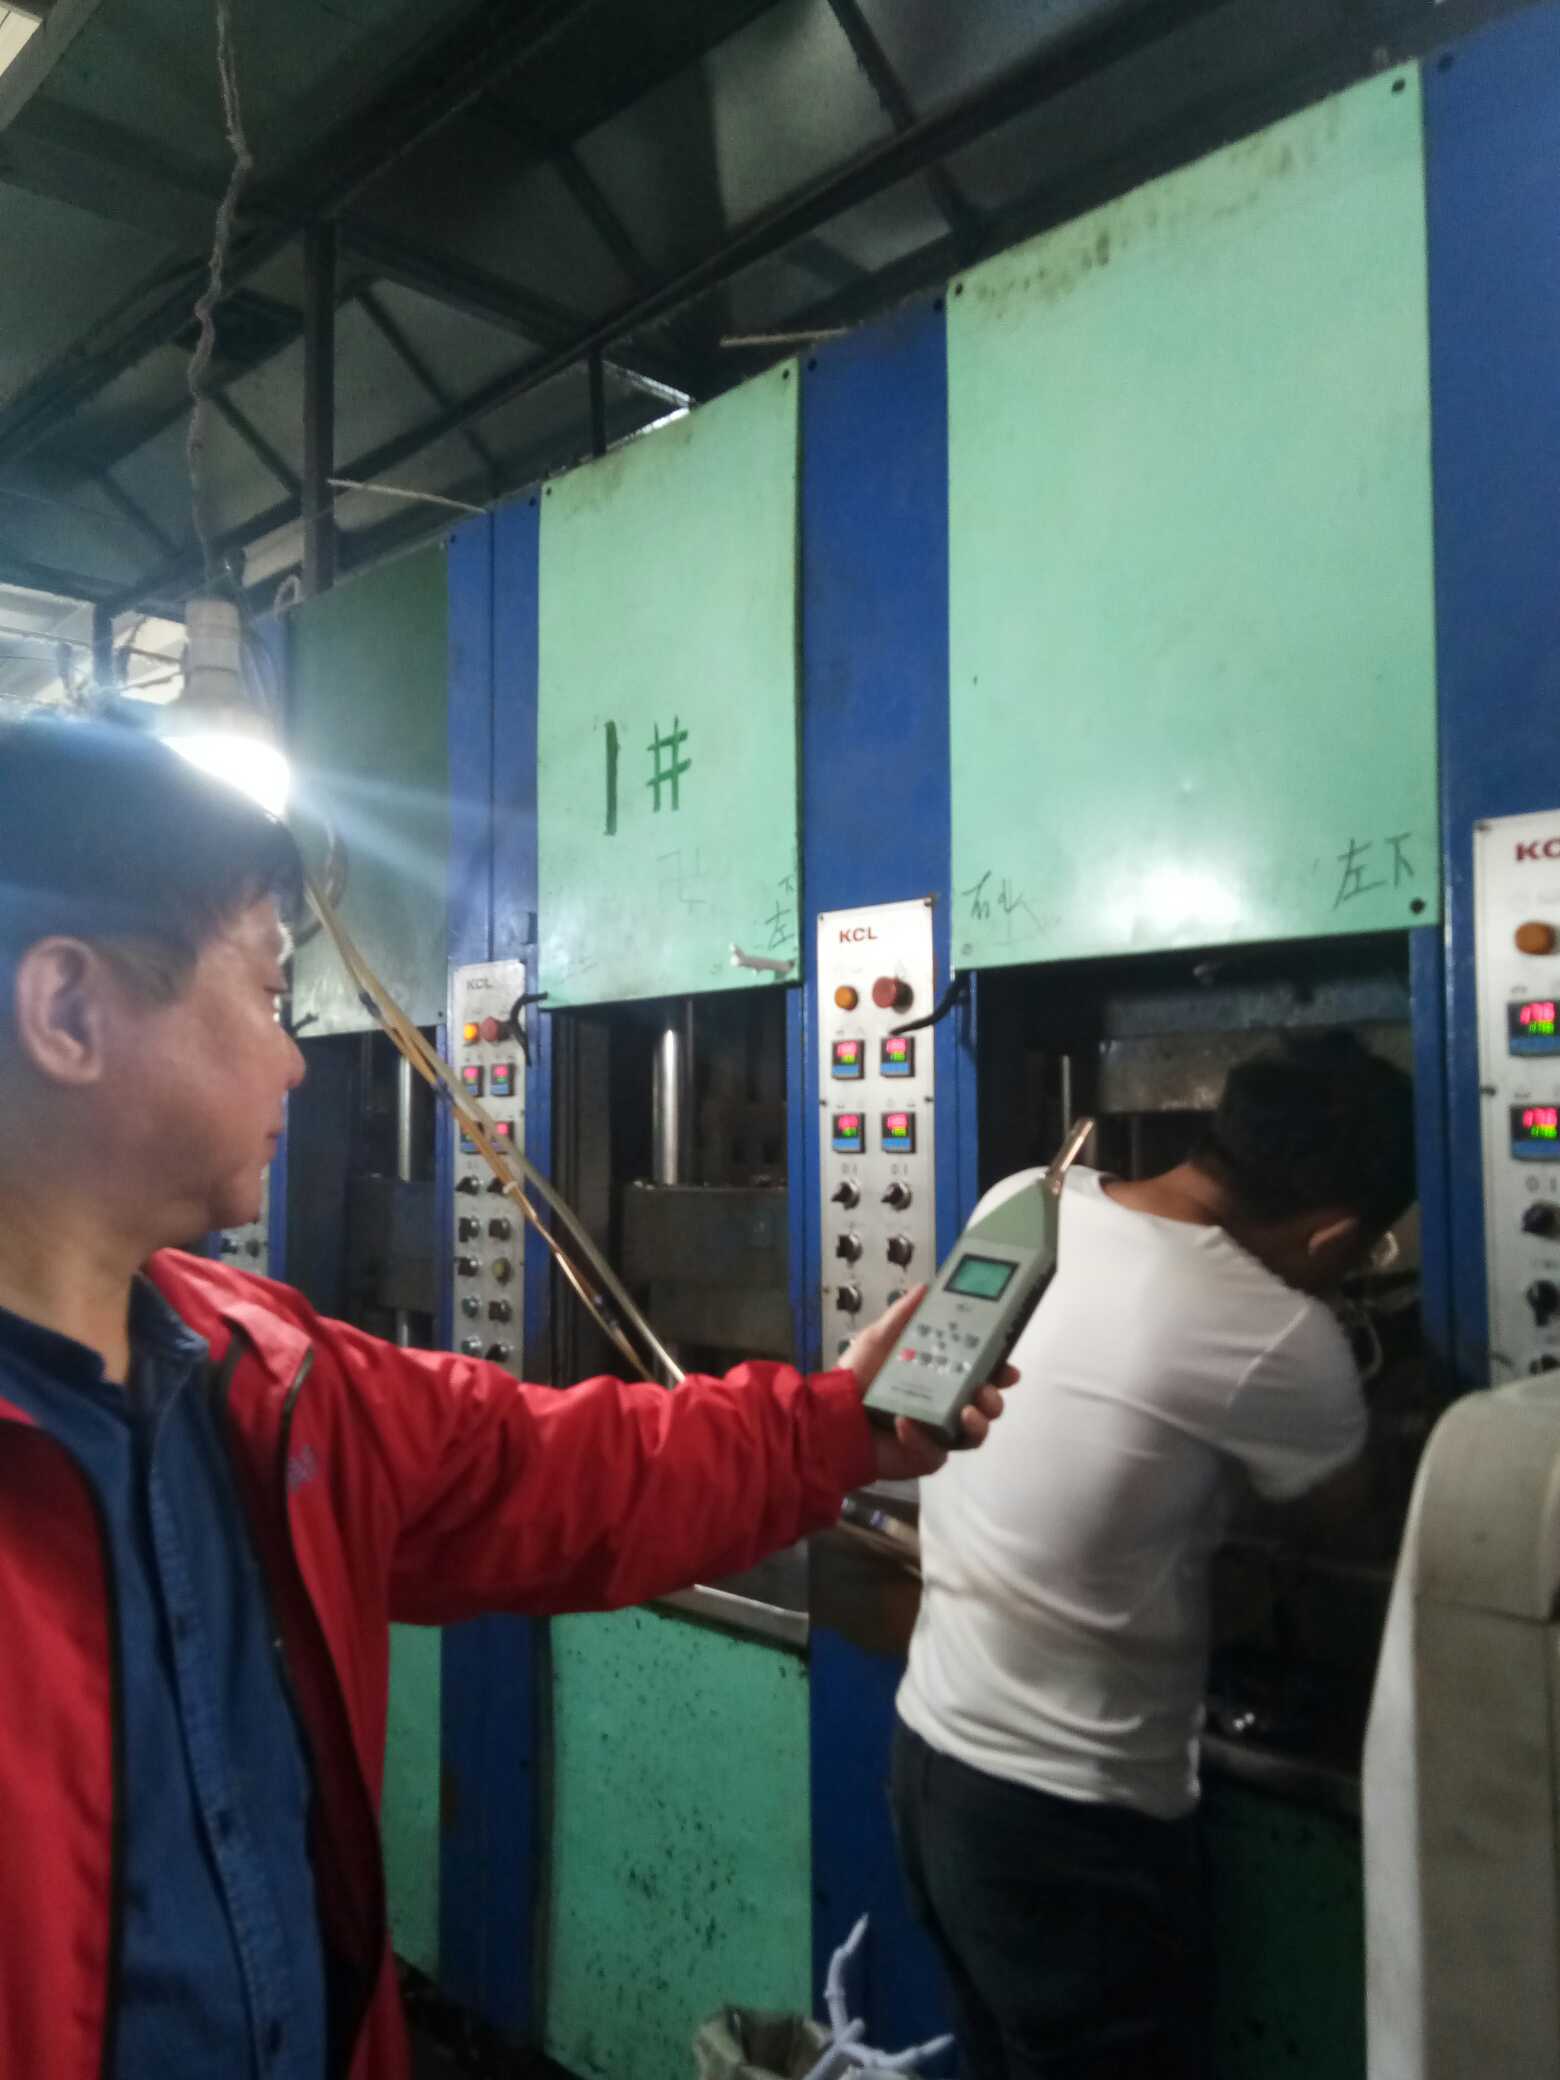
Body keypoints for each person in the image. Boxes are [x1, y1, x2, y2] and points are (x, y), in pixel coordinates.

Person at [0, 717, 1009, 2080]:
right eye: (271, 995)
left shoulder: (265, 1375)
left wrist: (839, 1422)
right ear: (69, 1014)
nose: (298, 1062)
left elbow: (556, 1470)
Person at [891, 1032, 1417, 2079]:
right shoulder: (1280, 1333)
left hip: (928, 1763)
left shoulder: (1024, 1200)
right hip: (1074, 1825)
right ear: (1335, 1234)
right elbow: (1361, 1531)